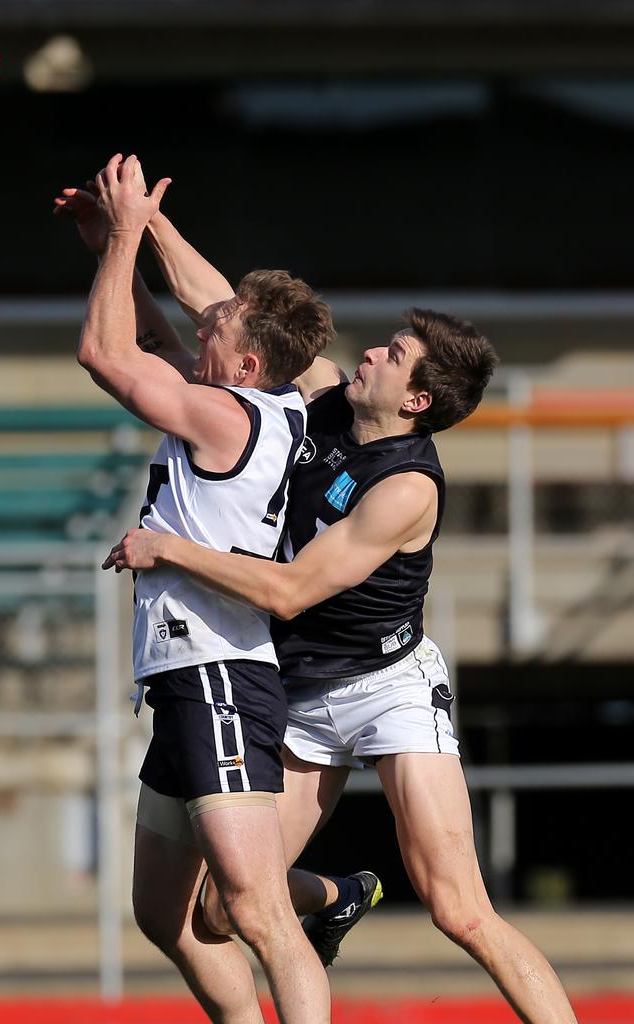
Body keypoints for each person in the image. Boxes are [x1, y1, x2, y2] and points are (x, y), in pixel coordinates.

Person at [106, 299, 580, 1024]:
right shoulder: (326, 398)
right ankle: (339, 895)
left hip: (389, 687)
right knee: (218, 911)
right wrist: (141, 228)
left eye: (393, 355)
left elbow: (290, 592)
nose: (371, 356)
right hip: (301, 693)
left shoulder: (406, 485)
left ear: (417, 399)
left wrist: (170, 547)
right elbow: (231, 312)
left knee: (459, 909)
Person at [59, 152, 337, 1024]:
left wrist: (131, 233)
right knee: (163, 914)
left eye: (222, 322)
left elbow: (104, 352)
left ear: (247, 363)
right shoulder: (259, 401)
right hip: (187, 678)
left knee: (255, 912)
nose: (206, 320)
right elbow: (146, 336)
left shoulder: (225, 413)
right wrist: (109, 241)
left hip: (217, 673)